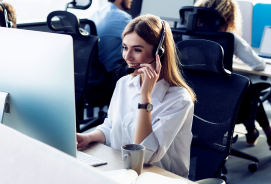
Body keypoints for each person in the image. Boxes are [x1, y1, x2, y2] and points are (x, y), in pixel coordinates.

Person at [77, 15, 196, 178]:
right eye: (125, 47)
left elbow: (144, 155)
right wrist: (87, 137)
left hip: (157, 177)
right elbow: (111, 126)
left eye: (137, 49)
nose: (127, 56)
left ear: (159, 53)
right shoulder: (124, 84)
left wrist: (145, 98)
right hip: (122, 170)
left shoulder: (179, 100)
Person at [195, 0, 271, 150]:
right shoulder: (229, 38)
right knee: (249, 92)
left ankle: (257, 132)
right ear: (228, 15)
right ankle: (268, 134)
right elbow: (259, 65)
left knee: (245, 90)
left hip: (195, 103)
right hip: (222, 107)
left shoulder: (188, 33)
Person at [90, 0, 134, 79]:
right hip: (109, 77)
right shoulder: (123, 18)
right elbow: (141, 43)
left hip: (92, 75)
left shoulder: (95, 14)